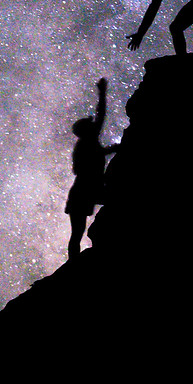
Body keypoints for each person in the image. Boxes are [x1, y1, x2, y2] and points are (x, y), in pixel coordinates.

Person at [65, 78, 119, 258]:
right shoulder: (87, 143)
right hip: (85, 191)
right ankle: (73, 266)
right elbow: (101, 114)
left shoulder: (86, 144)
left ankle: (73, 265)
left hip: (84, 190)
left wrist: (109, 150)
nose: (94, 124)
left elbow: (90, 161)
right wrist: (102, 93)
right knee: (77, 233)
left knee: (77, 234)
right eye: (90, 124)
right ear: (86, 130)